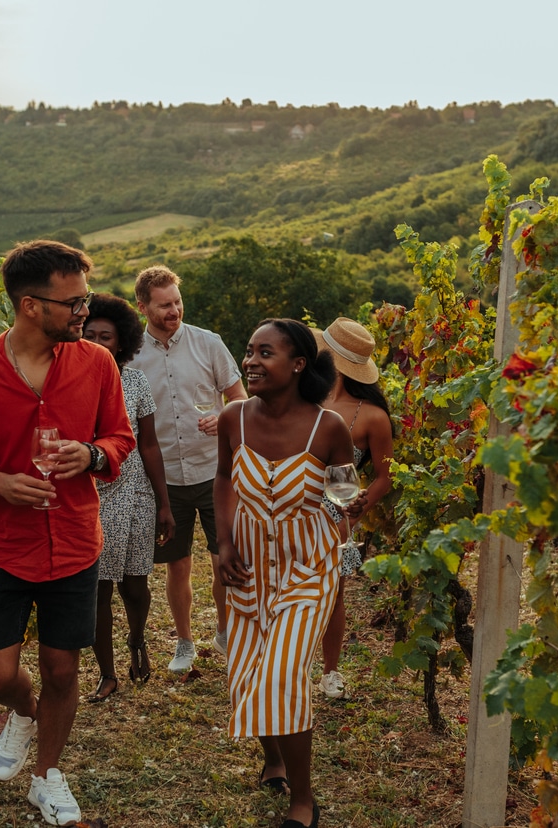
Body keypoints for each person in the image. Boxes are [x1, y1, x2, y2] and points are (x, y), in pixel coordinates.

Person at [0, 240, 135, 826]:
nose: (85, 313)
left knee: (62, 669)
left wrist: (93, 455)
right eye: (73, 303)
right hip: (4, 544)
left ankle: (47, 776)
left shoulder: (96, 365)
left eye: (85, 299)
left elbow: (119, 437)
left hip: (74, 539)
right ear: (30, 306)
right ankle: (21, 713)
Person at [215, 318, 354, 828]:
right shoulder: (234, 419)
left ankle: (303, 798)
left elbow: (344, 492)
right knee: (245, 675)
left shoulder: (329, 428)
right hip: (247, 568)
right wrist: (224, 542)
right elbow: (224, 479)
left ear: (298, 364)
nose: (251, 361)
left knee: (280, 675)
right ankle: (271, 759)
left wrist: (348, 506)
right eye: (249, 351)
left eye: (264, 353)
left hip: (308, 569)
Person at [131, 265, 246, 673]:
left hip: (216, 471)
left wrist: (225, 415)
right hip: (164, 480)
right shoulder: (132, 356)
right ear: (143, 307)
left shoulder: (208, 343)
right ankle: (183, 642)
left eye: (177, 302)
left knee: (222, 560)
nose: (174, 310)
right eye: (164, 305)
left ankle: (224, 631)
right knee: (177, 565)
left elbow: (238, 396)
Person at [81, 293, 176, 701]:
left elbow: (150, 446)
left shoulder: (135, 382)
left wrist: (164, 503)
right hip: (90, 496)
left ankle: (137, 640)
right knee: (98, 588)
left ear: (122, 342)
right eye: (91, 334)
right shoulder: (66, 383)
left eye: (107, 336)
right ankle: (107, 673)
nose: (99, 342)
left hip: (135, 492)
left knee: (135, 586)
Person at [313, 317, 395, 700]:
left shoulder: (372, 416)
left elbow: (384, 475)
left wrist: (361, 507)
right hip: (288, 509)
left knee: (333, 595)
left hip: (335, 517)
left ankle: (330, 672)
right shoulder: (304, 395)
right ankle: (285, 661)